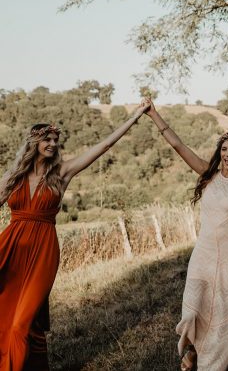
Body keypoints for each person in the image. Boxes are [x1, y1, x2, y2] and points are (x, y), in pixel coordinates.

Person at [0, 100, 150, 371]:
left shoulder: (62, 173)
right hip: (10, 249)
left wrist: (136, 115)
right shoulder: (14, 177)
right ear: (34, 142)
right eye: (48, 138)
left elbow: (103, 146)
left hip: (42, 254)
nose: (54, 144)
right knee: (7, 319)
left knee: (21, 323)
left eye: (56, 139)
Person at [144, 101, 228, 371]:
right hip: (203, 256)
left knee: (224, 313)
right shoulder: (208, 176)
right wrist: (153, 114)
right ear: (219, 152)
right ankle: (194, 351)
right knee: (194, 309)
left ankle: (209, 364)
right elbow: (179, 146)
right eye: (224, 149)